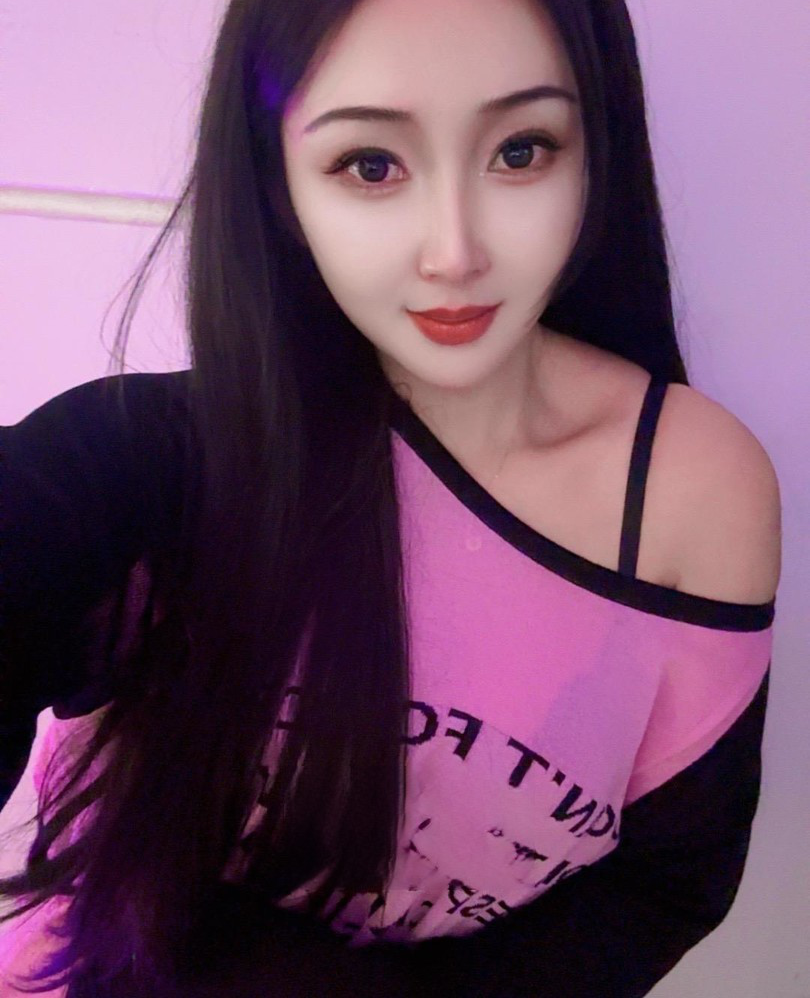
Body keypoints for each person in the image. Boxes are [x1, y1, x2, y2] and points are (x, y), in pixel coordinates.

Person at [0, 0, 782, 994]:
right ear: (278, 182)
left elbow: (664, 887)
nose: (454, 251)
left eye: (521, 150)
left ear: (596, 153)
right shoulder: (142, 465)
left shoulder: (692, 493)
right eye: (370, 164)